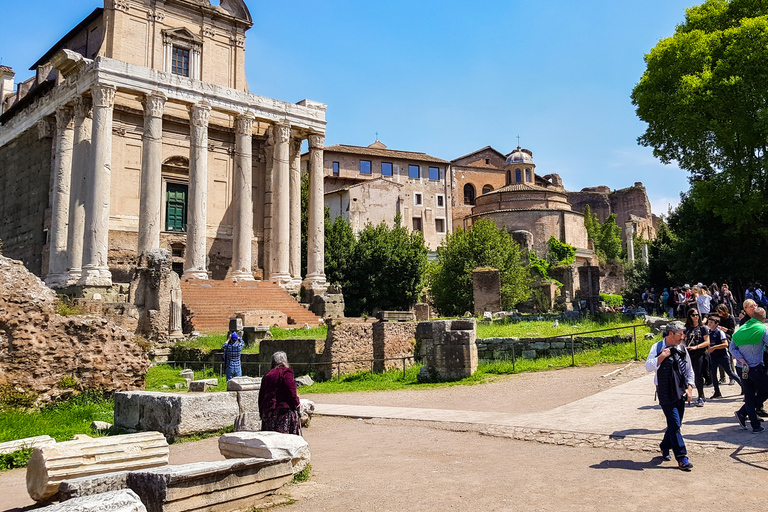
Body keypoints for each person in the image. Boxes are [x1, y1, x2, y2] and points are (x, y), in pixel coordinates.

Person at [646, 321, 695, 470]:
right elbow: (648, 366)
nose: (682, 337)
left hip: (680, 390)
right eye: (680, 334)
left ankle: (665, 445)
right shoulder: (658, 347)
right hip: (665, 391)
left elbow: (689, 370)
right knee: (674, 423)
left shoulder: (682, 348)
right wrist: (662, 356)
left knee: (675, 423)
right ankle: (682, 458)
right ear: (671, 334)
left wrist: (690, 388)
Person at [731, 307, 768, 433]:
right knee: (765, 391)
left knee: (749, 395)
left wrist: (741, 359)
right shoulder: (762, 329)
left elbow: (732, 348)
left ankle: (753, 424)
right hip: (755, 367)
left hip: (741, 367)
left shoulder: (740, 329)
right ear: (764, 318)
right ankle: (743, 413)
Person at [258, 351, 301, 435]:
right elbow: (290, 389)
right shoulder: (286, 372)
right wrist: (296, 402)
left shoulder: (267, 375)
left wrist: (261, 411)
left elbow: (261, 395)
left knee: (270, 437)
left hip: (268, 411)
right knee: (285, 438)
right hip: (283, 410)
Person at [706, 315, 740, 398]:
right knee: (713, 374)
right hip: (713, 357)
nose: (709, 324)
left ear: (716, 324)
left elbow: (725, 344)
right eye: (708, 322)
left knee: (730, 373)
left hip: (723, 356)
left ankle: (743, 387)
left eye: (711, 322)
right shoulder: (708, 333)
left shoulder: (720, 332)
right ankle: (717, 392)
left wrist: (714, 347)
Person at [684, 308, 710, 406]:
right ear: (689, 316)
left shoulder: (703, 328)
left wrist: (696, 347)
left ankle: (701, 396)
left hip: (699, 353)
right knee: (686, 375)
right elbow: (681, 340)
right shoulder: (685, 328)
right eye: (693, 315)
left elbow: (707, 342)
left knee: (698, 375)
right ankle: (686, 394)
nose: (696, 317)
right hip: (688, 354)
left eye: (697, 315)